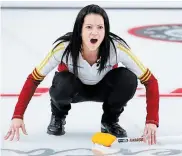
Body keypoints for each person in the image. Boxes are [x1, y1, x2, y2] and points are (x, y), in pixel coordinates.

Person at [4, 4, 159, 145]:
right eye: (89, 27)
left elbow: (151, 81)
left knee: (128, 79)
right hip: (74, 88)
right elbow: (33, 79)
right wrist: (18, 115)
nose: (95, 32)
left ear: (106, 30)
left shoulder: (117, 49)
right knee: (62, 83)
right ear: (80, 30)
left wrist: (151, 120)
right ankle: (58, 115)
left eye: (100, 27)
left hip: (103, 88)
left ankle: (110, 121)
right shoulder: (63, 49)